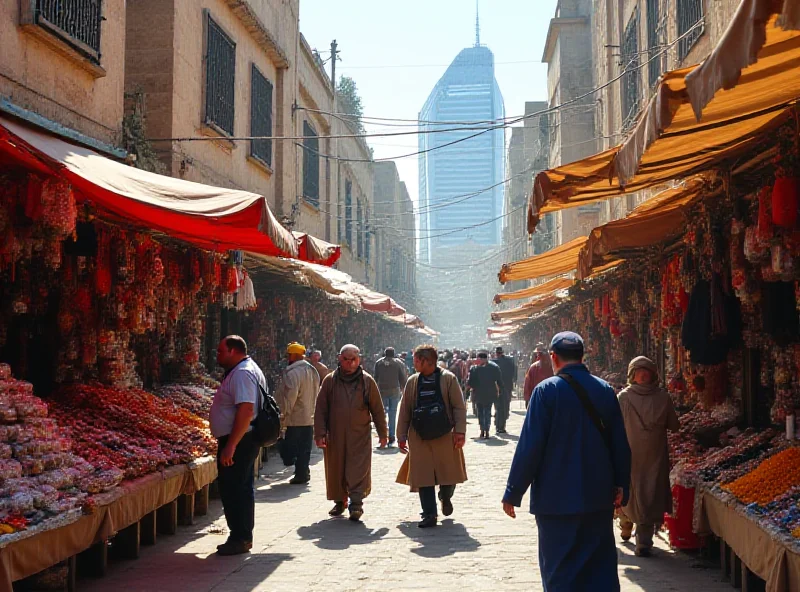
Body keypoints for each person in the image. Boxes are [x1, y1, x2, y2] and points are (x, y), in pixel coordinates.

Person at [502, 331, 631, 591]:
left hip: (556, 500)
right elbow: (620, 443)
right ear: (583, 356)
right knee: (600, 570)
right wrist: (622, 485)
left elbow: (530, 447)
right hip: (598, 495)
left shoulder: (546, 392)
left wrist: (513, 491)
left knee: (561, 573)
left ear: (553, 357)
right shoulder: (605, 390)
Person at [314, 344, 388, 521]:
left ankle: (356, 504)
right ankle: (340, 501)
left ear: (359, 360)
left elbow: (377, 409)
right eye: (346, 359)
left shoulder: (367, 381)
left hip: (359, 435)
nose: (349, 363)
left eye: (353, 359)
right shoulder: (330, 381)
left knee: (358, 469)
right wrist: (319, 433)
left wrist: (383, 433)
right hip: (336, 435)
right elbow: (321, 409)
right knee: (336, 468)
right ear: (340, 359)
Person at [396, 345, 468, 528]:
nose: (414, 363)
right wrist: (401, 435)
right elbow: (405, 410)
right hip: (419, 435)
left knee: (448, 473)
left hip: (444, 433)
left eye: (416, 360)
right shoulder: (412, 381)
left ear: (426, 361)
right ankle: (429, 514)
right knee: (423, 476)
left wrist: (460, 431)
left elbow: (459, 406)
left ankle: (445, 495)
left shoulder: (448, 379)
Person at [209, 335, 266, 556]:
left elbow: (246, 410)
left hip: (240, 439)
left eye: (221, 351)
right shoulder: (245, 369)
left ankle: (240, 537)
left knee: (235, 488)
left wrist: (231, 444)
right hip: (241, 438)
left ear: (234, 351)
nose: (218, 356)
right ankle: (241, 536)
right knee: (239, 487)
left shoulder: (242, 373)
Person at [618, 356, 680, 557]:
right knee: (646, 494)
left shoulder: (625, 397)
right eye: (640, 371)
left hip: (637, 455)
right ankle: (637, 535)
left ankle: (637, 535)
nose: (643, 375)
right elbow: (675, 425)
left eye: (646, 371)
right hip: (648, 455)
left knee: (635, 492)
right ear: (633, 375)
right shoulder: (659, 397)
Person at [274, 342, 320, 485]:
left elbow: (290, 397)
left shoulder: (293, 373)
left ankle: (299, 470)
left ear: (294, 355)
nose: (288, 357)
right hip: (309, 416)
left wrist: (283, 415)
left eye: (289, 354)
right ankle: (302, 472)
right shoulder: (313, 371)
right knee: (305, 448)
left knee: (290, 446)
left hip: (295, 417)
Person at [373, 347, 408, 448]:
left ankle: (382, 435)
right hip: (394, 391)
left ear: (384, 353)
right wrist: (404, 390)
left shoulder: (379, 363)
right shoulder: (398, 363)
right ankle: (391, 436)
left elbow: (375, 377)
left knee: (381, 414)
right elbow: (402, 378)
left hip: (381, 391)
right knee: (393, 413)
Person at [467, 352, 503, 439]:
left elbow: (470, 382)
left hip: (482, 394)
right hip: (485, 393)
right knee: (483, 412)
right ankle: (484, 430)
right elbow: (499, 381)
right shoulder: (493, 367)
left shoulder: (475, 368)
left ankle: (485, 430)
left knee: (485, 412)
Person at [492, 347, 517, 434]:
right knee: (505, 407)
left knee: (498, 407)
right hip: (507, 386)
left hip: (497, 387)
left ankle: (498, 424)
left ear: (496, 353)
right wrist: (514, 381)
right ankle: (501, 425)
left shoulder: (493, 362)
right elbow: (514, 371)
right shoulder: (510, 361)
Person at [523, 343, 554, 408]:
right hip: (539, 400)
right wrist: (527, 399)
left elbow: (527, 384)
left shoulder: (553, 367)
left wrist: (527, 399)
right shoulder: (533, 367)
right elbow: (528, 383)